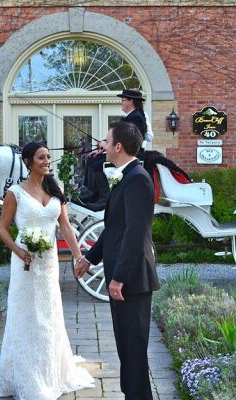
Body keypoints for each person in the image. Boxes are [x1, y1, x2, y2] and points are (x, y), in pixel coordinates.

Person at [0, 142, 95, 399]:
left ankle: (51, 372)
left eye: (48, 157)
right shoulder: (15, 193)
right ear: (28, 161)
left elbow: (66, 227)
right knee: (26, 317)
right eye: (41, 157)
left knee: (48, 316)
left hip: (48, 264)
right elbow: (3, 230)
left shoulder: (55, 189)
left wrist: (77, 256)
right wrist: (19, 252)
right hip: (25, 264)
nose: (47, 161)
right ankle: (27, 378)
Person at [75, 122, 161, 400]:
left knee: (134, 348)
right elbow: (114, 228)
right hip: (124, 278)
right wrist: (89, 258)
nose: (103, 145)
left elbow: (136, 233)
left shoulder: (138, 179)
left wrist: (119, 277)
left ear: (118, 147)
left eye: (107, 141)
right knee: (126, 346)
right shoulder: (127, 177)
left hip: (133, 280)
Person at [117, 89, 153, 155]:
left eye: (123, 100)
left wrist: (108, 144)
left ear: (131, 101)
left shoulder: (136, 117)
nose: (121, 103)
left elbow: (127, 139)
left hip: (129, 155)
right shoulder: (129, 117)